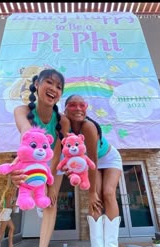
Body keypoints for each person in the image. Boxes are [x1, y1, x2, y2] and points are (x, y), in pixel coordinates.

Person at [10, 68, 71, 247]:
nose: (54, 88)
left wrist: (49, 183)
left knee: (51, 202)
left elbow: (58, 152)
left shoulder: (63, 120)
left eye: (59, 87)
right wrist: (17, 167)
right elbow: (26, 133)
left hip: (53, 162)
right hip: (31, 159)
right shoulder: (21, 110)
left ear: (60, 94)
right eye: (49, 82)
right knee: (29, 194)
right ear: (37, 85)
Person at [64, 94, 123, 247]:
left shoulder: (88, 127)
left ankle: (111, 244)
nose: (78, 108)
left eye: (82, 105)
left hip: (108, 158)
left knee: (108, 193)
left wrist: (91, 192)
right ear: (65, 109)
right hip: (89, 162)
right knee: (95, 201)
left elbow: (93, 160)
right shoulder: (64, 125)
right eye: (72, 105)